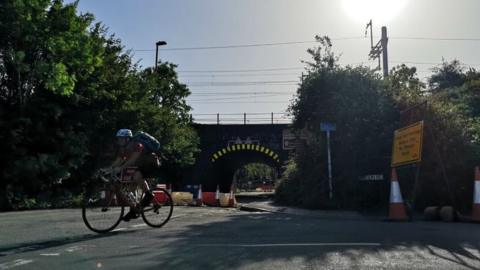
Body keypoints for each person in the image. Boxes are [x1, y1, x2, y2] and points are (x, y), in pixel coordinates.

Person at [111, 129, 160, 221]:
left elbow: (132, 160)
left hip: (150, 164)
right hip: (139, 166)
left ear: (127, 139)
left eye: (121, 139)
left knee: (136, 176)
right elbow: (119, 160)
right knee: (130, 188)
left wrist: (120, 168)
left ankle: (149, 195)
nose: (119, 141)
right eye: (118, 139)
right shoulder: (123, 148)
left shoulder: (137, 145)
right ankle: (134, 210)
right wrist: (108, 169)